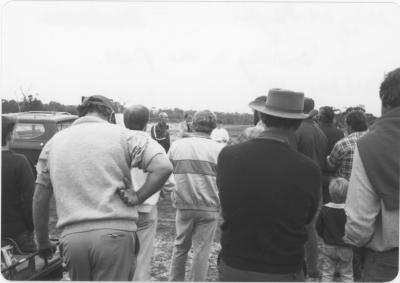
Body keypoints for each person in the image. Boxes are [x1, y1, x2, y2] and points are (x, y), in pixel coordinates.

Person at [33, 95, 173, 281]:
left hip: (73, 238)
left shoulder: (53, 143)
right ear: (109, 113)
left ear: (80, 114)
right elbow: (163, 167)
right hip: (115, 233)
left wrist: (42, 241)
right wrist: (138, 196)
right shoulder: (124, 136)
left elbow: (40, 197)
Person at [217, 89, 321, 281]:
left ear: (262, 116)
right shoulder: (309, 169)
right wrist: (313, 267)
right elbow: (307, 222)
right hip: (283, 269)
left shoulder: (228, 156)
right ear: (298, 123)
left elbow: (226, 206)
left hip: (234, 264)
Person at [344, 67, 400, 282]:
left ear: (385, 101)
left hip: (388, 263)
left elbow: (359, 224)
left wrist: (352, 241)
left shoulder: (371, 144)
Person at [168, 110, 224, 282]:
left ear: (193, 124)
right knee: (201, 251)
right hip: (209, 207)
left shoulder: (177, 146)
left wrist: (172, 192)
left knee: (180, 246)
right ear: (213, 127)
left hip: (184, 204)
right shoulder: (221, 150)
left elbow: (166, 173)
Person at [123, 105, 175, 281]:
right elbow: (169, 182)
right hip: (146, 209)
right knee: (141, 258)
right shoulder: (153, 146)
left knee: (118, 258)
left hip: (118, 210)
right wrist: (158, 190)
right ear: (146, 124)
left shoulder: (116, 144)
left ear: (124, 121)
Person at [295, 97, 328, 280]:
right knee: (310, 228)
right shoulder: (319, 132)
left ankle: (299, 268)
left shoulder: (297, 131)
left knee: (296, 226)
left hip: (299, 185)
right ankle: (313, 268)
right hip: (316, 186)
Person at [1, 116, 36, 253]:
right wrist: (31, 228)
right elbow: (30, 202)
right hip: (17, 236)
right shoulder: (20, 162)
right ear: (10, 135)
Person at [316, 178, 353, 282]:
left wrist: (324, 237)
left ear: (330, 192)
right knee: (347, 274)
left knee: (327, 273)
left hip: (329, 246)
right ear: (348, 193)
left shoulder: (325, 209)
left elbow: (318, 227)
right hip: (346, 246)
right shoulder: (349, 211)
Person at [326, 110, 368, 181]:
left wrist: (327, 158)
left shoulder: (342, 144)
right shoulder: (375, 141)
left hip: (345, 188)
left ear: (350, 126)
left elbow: (331, 165)